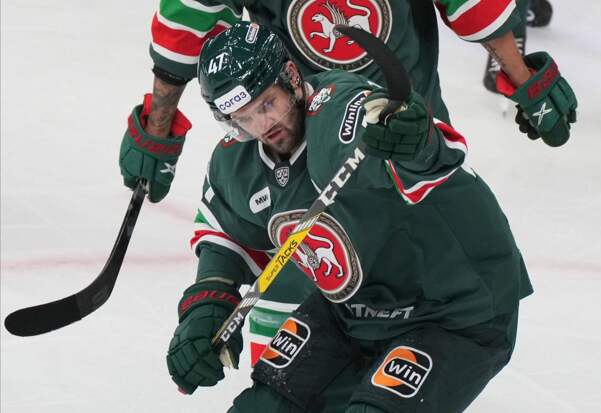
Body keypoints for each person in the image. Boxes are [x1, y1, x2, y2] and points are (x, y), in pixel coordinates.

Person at [120, 0, 577, 366]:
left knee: (417, 324)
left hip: (403, 155)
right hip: (297, 168)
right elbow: (192, 16)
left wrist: (523, 78)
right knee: (288, 362)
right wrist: (157, 125)